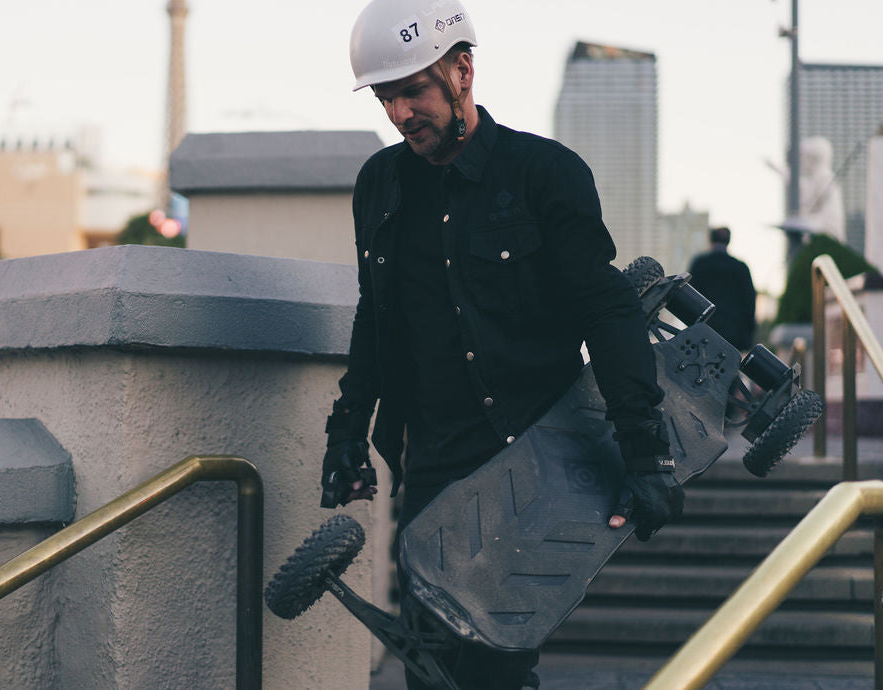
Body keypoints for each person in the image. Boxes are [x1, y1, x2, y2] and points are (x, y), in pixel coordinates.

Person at [320, 0, 684, 687]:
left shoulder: (543, 173)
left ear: (462, 71)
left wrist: (645, 448)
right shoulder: (379, 185)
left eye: (413, 91)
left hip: (533, 459)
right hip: (431, 467)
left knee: (494, 667)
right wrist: (347, 429)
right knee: (430, 668)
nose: (400, 113)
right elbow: (378, 317)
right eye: (385, 98)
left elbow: (605, 308)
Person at [688, 227, 757, 352]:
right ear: (729, 241)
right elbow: (750, 301)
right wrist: (748, 334)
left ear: (710, 239)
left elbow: (689, 297)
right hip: (733, 334)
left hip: (704, 330)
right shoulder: (740, 267)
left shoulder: (700, 264)